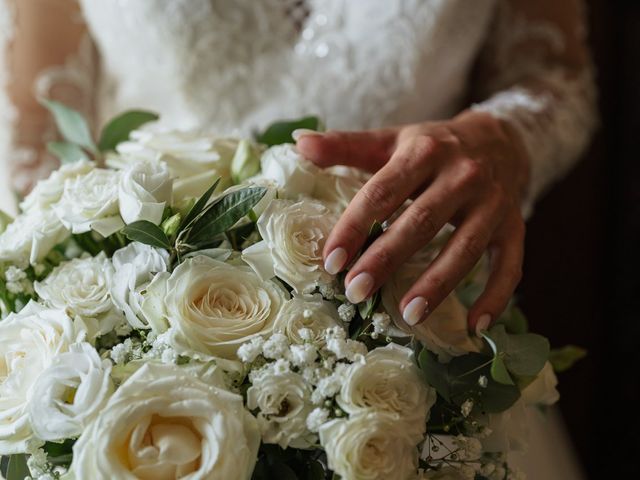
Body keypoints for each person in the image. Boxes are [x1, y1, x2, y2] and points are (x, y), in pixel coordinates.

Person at [0, 1, 596, 477]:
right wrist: (88, 304)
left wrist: (501, 140)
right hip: (141, 335)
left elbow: (551, 75)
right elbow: (33, 124)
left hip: (415, 332)